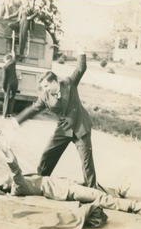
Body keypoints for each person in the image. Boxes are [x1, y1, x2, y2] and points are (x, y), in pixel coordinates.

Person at [0, 131, 141, 214]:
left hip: (65, 183)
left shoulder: (19, 183)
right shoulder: (17, 186)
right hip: (66, 190)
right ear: (6, 186)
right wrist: (6, 151)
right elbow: (15, 169)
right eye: (2, 180)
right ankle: (130, 206)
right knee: (97, 196)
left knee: (93, 186)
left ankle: (118, 192)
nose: (4, 177)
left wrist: (7, 145)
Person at [9, 43, 97, 188]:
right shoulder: (45, 96)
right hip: (64, 128)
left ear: (54, 82)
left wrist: (81, 51)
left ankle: (92, 190)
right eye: (43, 87)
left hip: (81, 127)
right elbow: (33, 109)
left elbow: (81, 68)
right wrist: (17, 121)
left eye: (46, 86)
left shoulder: (69, 83)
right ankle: (39, 182)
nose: (44, 90)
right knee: (48, 155)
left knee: (86, 162)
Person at [1, 50, 18, 118]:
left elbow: (4, 77)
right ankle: (10, 114)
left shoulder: (4, 67)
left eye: (4, 60)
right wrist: (13, 53)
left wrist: (2, 86)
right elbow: (14, 58)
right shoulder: (13, 63)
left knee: (6, 98)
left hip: (8, 84)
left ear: (6, 59)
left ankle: (4, 114)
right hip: (15, 83)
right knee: (12, 98)